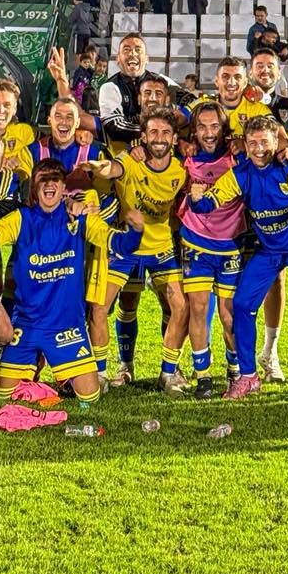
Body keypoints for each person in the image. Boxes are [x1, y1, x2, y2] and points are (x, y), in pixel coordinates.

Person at [191, 115, 288, 411]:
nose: (259, 148)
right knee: (241, 304)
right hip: (270, 251)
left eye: (265, 142)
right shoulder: (240, 174)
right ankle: (248, 375)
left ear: (276, 142)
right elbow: (209, 203)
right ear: (245, 145)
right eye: (252, 143)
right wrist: (197, 199)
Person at [0, 159, 142, 407]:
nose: (50, 184)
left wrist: (135, 230)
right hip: (27, 324)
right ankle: (36, 367)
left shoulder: (80, 219)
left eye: (55, 180)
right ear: (35, 188)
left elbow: (119, 245)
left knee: (90, 398)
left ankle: (60, 371)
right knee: (0, 399)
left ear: (63, 187)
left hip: (67, 327)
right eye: (43, 180)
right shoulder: (20, 219)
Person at [87, 108, 189, 394]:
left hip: (161, 247)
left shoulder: (181, 171)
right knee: (99, 307)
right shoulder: (130, 161)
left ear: (174, 137)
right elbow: (113, 168)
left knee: (180, 306)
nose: (159, 138)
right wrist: (101, 168)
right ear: (143, 137)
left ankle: (168, 374)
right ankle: (101, 373)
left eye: (165, 133)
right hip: (126, 245)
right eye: (153, 132)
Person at [176, 103, 241, 397]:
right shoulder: (184, 157)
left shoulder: (238, 155)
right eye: (202, 127)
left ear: (223, 128)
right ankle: (202, 374)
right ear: (194, 130)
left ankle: (235, 370)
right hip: (195, 242)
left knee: (229, 315)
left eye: (214, 126)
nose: (208, 133)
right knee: (198, 308)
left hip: (230, 244)